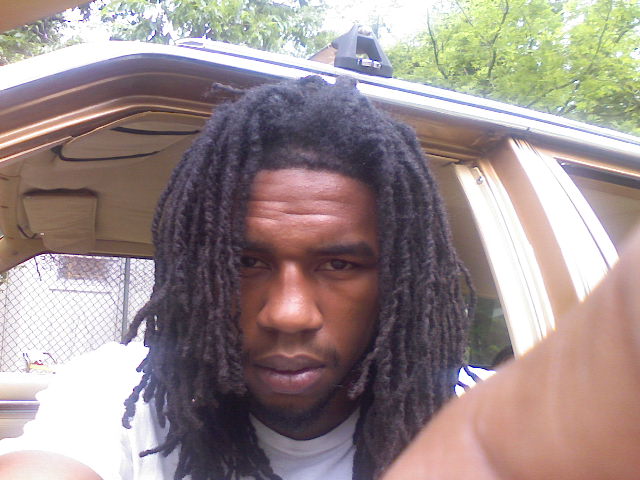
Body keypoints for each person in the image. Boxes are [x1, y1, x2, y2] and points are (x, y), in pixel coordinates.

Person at [0, 75, 473, 479]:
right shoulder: (116, 393)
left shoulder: (481, 423)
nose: (288, 315)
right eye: (246, 262)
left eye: (339, 265)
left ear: (396, 284)